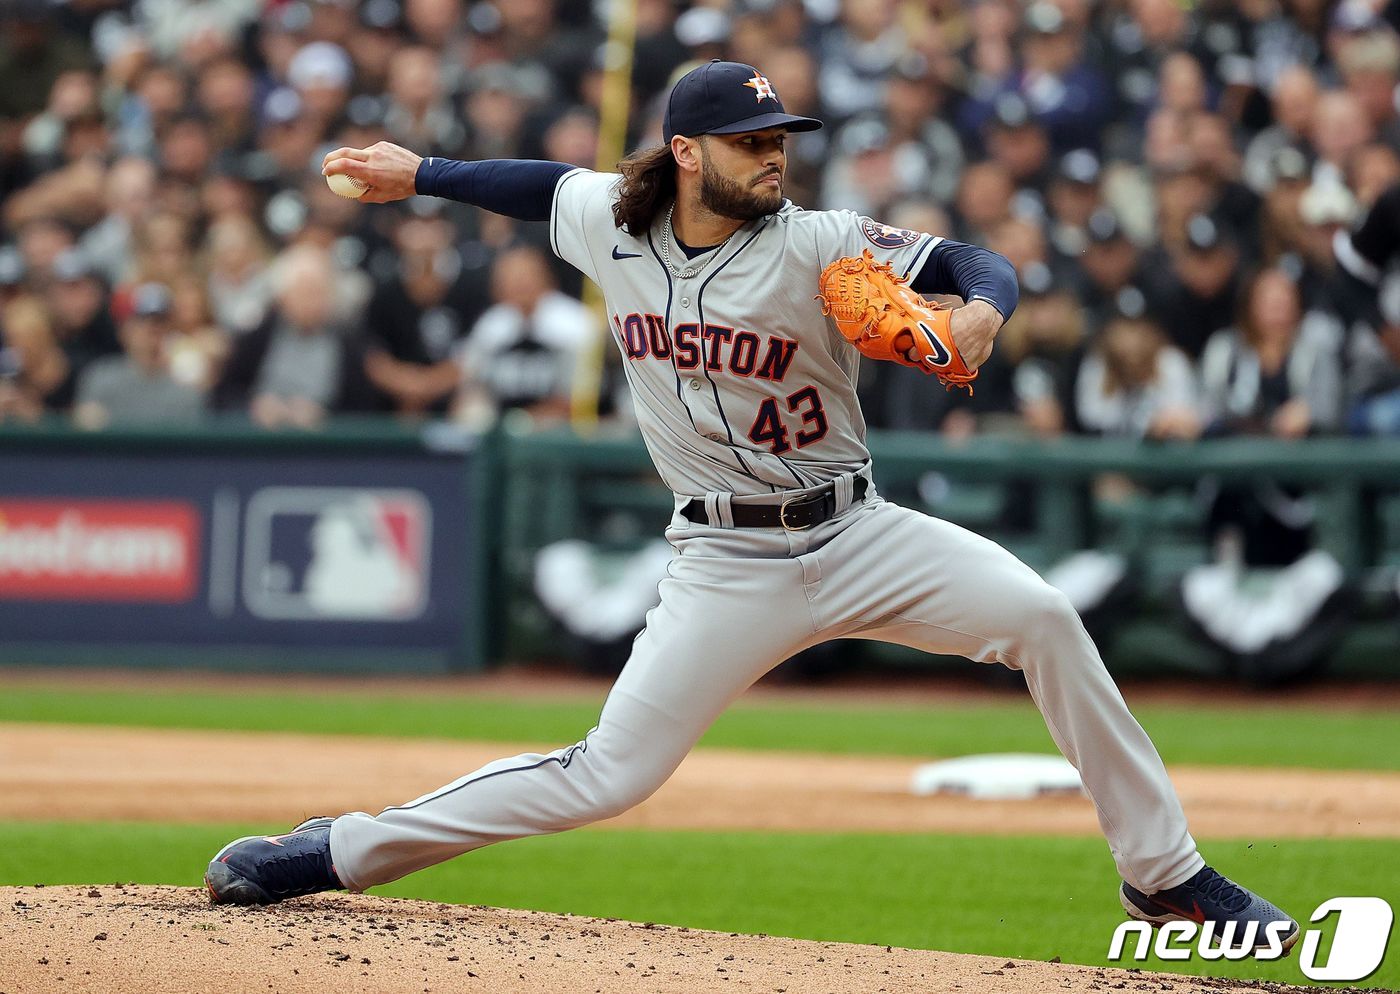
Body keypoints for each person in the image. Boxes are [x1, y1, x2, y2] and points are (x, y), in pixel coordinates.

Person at [202, 60, 1300, 952]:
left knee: (1044, 619)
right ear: (686, 154)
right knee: (605, 775)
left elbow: (972, 258)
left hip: (858, 530)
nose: (772, 156)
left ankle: (1163, 878)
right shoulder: (612, 225)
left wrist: (977, 315)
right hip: (722, 562)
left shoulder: (817, 241)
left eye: (779, 141)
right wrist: (426, 173)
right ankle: (338, 848)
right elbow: (541, 185)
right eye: (748, 142)